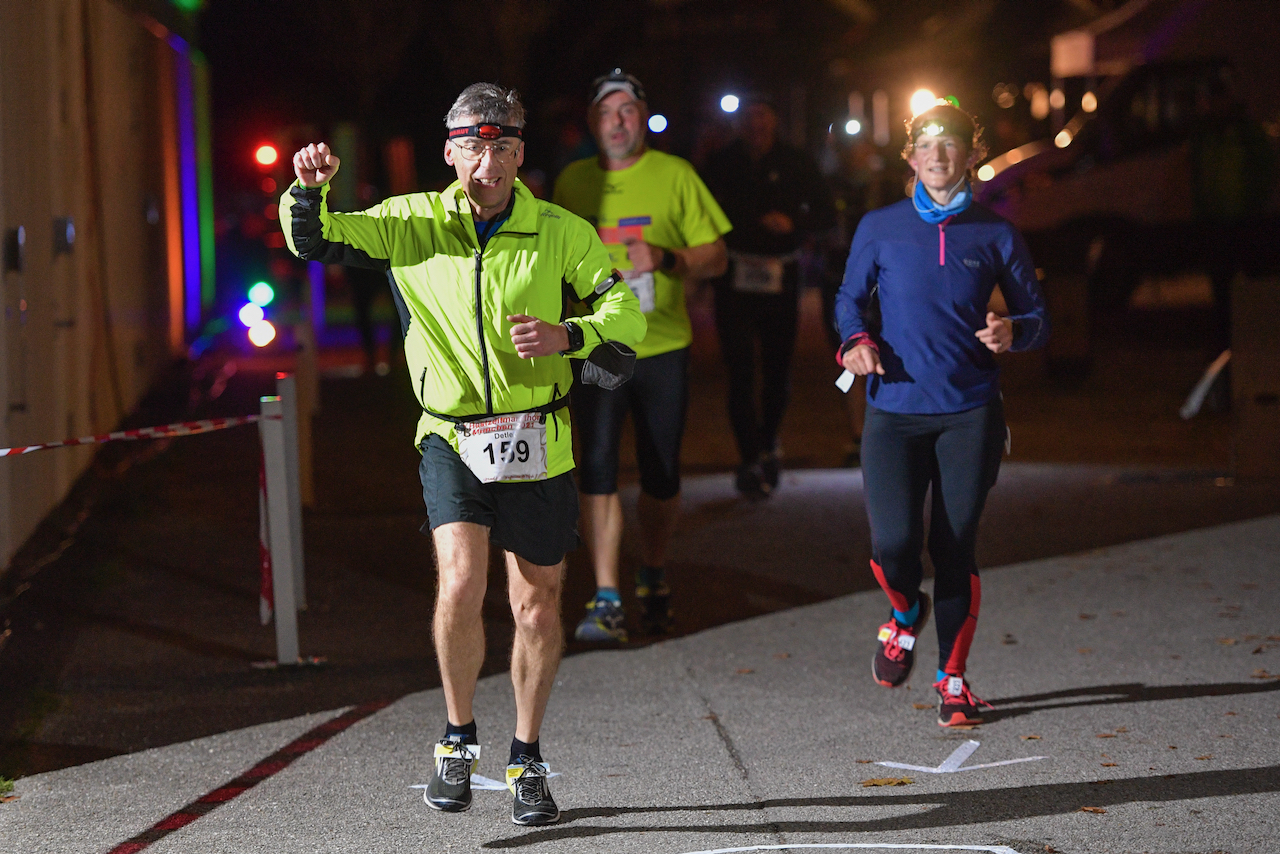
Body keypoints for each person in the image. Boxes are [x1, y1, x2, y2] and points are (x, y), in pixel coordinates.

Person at [280, 83, 645, 826]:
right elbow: (314, 242)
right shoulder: (411, 222)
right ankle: (456, 736)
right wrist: (309, 191)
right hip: (450, 434)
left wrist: (568, 335)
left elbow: (625, 311)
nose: (489, 163)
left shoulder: (560, 230)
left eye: (504, 147)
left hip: (539, 437)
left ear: (521, 154)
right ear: (450, 153)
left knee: (538, 607)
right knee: (459, 580)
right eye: (474, 148)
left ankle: (527, 755)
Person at [834, 101, 1048, 727]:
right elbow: (849, 299)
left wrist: (1014, 330)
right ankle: (904, 615)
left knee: (954, 547)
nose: (937, 155)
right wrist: (855, 340)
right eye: (925, 145)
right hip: (894, 410)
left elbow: (1039, 320)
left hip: (968, 411)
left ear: (971, 154)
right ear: (910, 157)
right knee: (893, 545)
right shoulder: (880, 226)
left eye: (949, 144)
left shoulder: (997, 232)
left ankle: (952, 680)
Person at [552, 69, 731, 642]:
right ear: (592, 123)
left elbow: (717, 256)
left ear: (643, 118)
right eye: (607, 112)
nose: (618, 122)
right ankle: (606, 594)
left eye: (628, 110)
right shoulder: (572, 183)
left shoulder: (674, 174)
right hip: (596, 345)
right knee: (598, 464)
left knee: (660, 472)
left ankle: (652, 570)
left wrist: (666, 257)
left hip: (661, 345)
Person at [701, 96, 835, 496]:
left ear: (774, 120)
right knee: (739, 373)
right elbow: (700, 213)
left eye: (763, 116)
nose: (756, 125)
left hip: (781, 275)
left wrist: (794, 222)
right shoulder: (721, 163)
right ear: (740, 123)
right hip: (734, 277)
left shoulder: (796, 161)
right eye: (750, 118)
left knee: (777, 371)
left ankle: (769, 442)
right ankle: (748, 457)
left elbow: (827, 213)